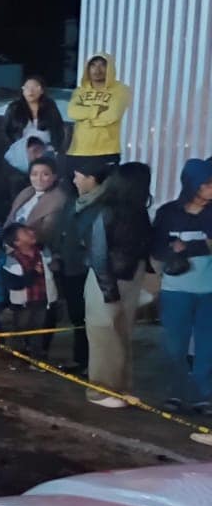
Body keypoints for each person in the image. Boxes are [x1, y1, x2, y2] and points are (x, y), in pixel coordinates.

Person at [83, 161, 152, 407]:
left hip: (129, 277)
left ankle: (121, 387)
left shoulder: (137, 211)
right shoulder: (106, 211)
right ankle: (100, 391)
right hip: (108, 279)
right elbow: (98, 255)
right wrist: (108, 291)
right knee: (104, 333)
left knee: (122, 333)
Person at [151, 158, 212, 411]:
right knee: (175, 345)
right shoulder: (168, 213)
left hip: (208, 290)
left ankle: (203, 395)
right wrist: (172, 250)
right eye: (207, 184)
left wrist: (185, 247)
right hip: (175, 289)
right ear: (193, 185)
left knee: (207, 345)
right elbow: (155, 248)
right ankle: (175, 392)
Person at [50, 165, 105, 374]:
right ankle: (81, 359)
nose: (74, 181)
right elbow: (60, 230)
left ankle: (92, 364)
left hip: (89, 268)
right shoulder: (74, 203)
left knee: (89, 317)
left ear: (92, 177)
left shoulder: (101, 205)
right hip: (70, 266)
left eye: (78, 176)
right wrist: (57, 252)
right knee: (77, 316)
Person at [66, 53, 132, 177]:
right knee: (75, 193)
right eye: (93, 65)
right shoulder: (80, 91)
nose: (97, 70)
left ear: (110, 68)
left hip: (106, 151)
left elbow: (113, 115)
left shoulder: (121, 89)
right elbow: (72, 112)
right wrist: (96, 111)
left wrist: (87, 120)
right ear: (88, 68)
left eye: (103, 65)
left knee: (104, 193)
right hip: (77, 151)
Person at [0, 222, 51, 360]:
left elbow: (52, 270)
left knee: (38, 331)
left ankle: (36, 360)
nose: (31, 232)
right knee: (19, 330)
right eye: (25, 232)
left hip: (41, 299)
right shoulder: (11, 260)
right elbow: (15, 284)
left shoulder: (43, 253)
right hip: (23, 303)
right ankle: (16, 358)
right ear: (17, 242)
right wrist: (34, 273)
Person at [4, 156, 65, 246]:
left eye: (45, 174)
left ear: (54, 176)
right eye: (34, 174)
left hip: (28, 247)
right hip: (8, 242)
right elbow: (10, 218)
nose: (39, 179)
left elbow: (45, 235)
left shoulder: (58, 200)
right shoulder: (27, 191)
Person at [3, 74, 65, 156]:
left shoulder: (50, 106)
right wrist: (15, 148)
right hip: (22, 152)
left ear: (42, 90)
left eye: (35, 87)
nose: (31, 91)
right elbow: (7, 131)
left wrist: (55, 149)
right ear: (23, 90)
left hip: (46, 151)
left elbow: (58, 130)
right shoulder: (14, 107)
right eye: (27, 87)